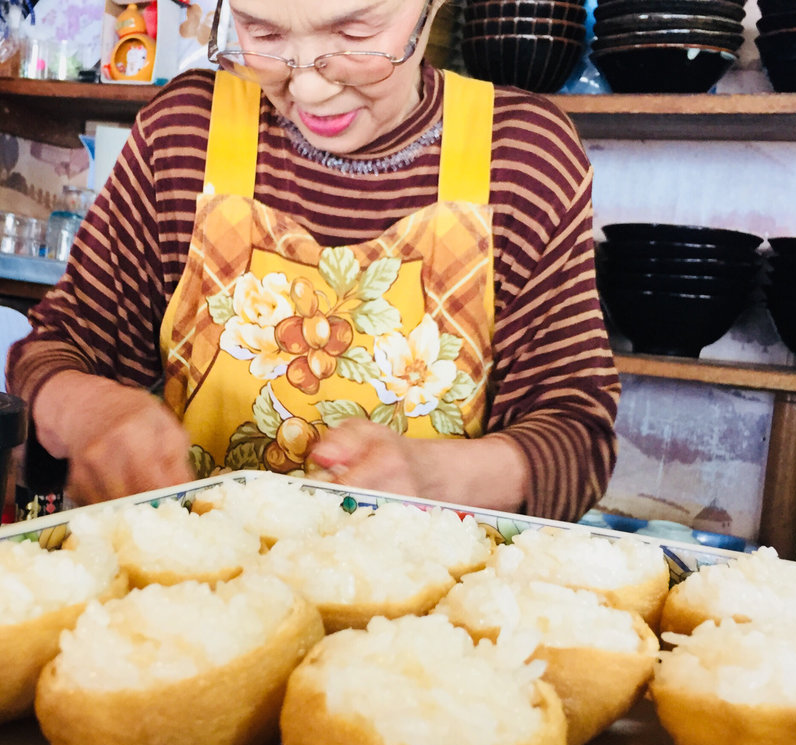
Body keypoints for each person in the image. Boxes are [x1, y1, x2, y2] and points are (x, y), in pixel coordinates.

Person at [6, 0, 620, 519]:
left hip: (421, 632)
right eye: (262, 33)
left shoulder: (521, 157)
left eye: (354, 34)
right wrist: (94, 413)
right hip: (192, 606)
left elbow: (575, 437)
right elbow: (54, 353)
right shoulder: (184, 134)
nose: (308, 86)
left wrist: (432, 477)